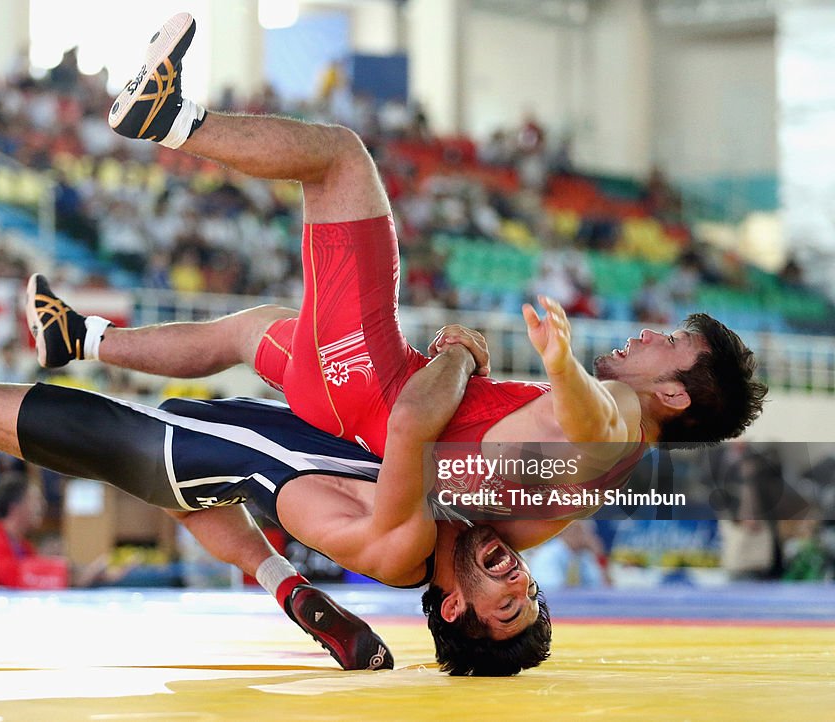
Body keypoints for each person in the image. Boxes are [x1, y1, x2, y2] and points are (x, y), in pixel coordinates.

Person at [40, 11, 765, 671]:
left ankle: (165, 116)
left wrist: (557, 365)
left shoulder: (617, 419)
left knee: (340, 161)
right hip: (359, 410)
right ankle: (82, 337)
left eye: (669, 341)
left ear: (673, 391)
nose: (648, 333)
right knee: (247, 328)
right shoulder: (555, 510)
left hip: (377, 389)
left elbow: (589, 422)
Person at [0, 331, 490, 674]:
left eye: (510, 605)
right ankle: (292, 593)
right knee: (204, 486)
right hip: (198, 453)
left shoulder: (411, 541)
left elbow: (412, 424)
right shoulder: (454, 520)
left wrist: (460, 352)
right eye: (532, 594)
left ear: (456, 606)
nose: (521, 578)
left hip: (168, 442)